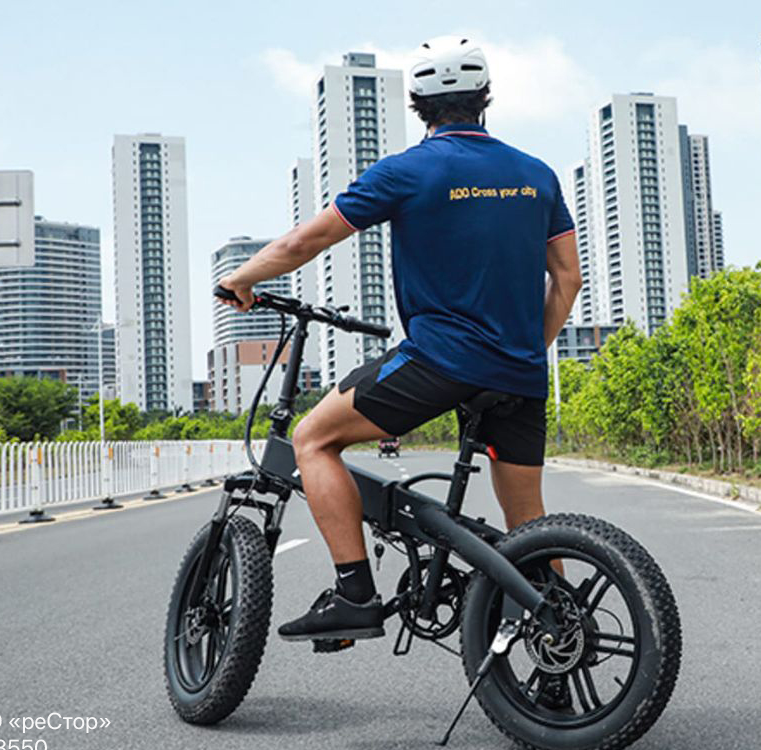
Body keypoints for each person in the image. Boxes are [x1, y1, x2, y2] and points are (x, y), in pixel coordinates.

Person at [217, 35, 581, 644]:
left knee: (312, 439)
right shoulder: (535, 174)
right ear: (485, 97)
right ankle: (558, 645)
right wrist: (522, 354)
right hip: (519, 373)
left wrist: (242, 277)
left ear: (418, 104)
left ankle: (354, 593)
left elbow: (304, 243)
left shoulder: (408, 171)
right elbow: (566, 281)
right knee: (528, 522)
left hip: (440, 361)